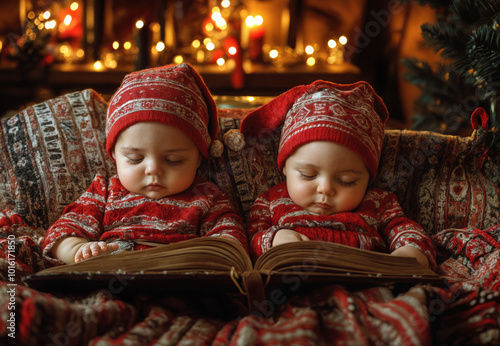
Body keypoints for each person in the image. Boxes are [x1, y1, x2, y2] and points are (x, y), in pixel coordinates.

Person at [42, 63, 247, 265]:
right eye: (135, 158)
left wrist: (208, 260)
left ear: (199, 158)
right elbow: (61, 232)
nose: (153, 170)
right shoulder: (104, 193)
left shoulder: (208, 198)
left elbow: (231, 241)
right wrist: (78, 250)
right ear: (114, 153)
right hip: (113, 277)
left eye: (173, 160)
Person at [240, 81, 436, 269]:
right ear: (284, 168)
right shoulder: (271, 201)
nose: (325, 189)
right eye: (308, 175)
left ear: (368, 177)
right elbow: (251, 237)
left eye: (347, 181)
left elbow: (404, 229)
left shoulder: (379, 203)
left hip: (365, 285)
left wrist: (412, 251)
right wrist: (274, 239)